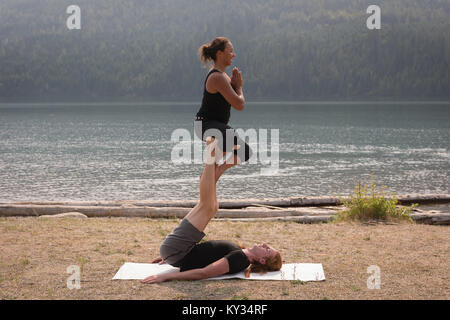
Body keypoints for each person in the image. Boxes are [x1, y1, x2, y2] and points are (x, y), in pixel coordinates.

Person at [141, 138, 282, 284]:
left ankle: (212, 153)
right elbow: (204, 255)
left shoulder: (240, 260)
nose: (264, 244)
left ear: (262, 261)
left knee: (207, 206)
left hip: (178, 250)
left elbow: (204, 273)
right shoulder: (241, 253)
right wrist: (171, 258)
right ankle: (218, 166)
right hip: (178, 251)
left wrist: (166, 276)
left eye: (267, 249)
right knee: (213, 207)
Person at [194, 36, 253, 181]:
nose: (234, 54)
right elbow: (239, 104)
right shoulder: (217, 77)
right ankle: (215, 175)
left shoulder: (223, 76)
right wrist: (238, 87)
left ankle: (210, 200)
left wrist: (234, 85)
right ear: (220, 53)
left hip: (214, 126)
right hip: (205, 125)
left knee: (241, 153)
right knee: (243, 150)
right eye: (230, 51)